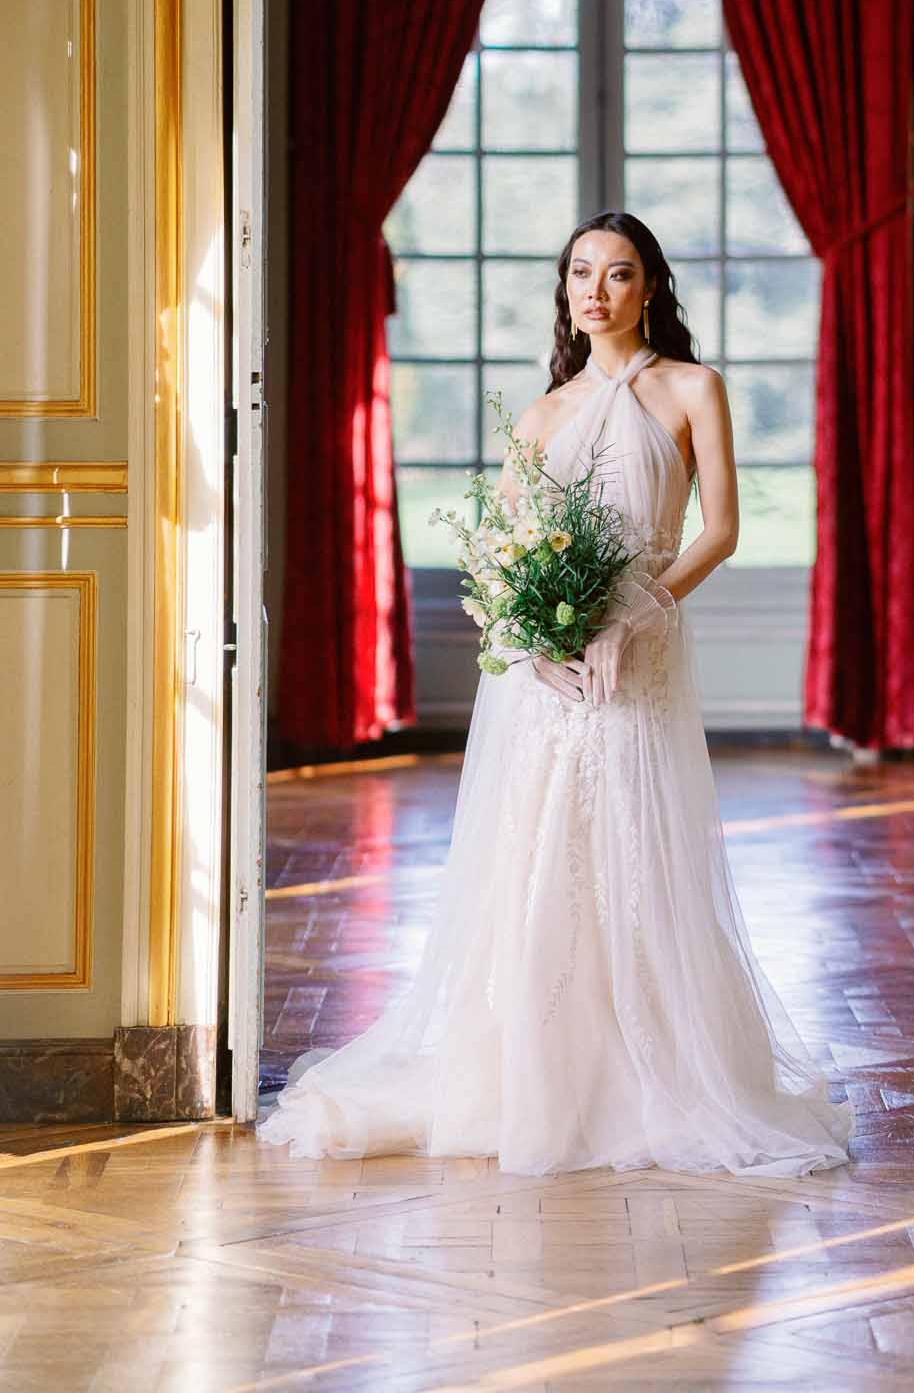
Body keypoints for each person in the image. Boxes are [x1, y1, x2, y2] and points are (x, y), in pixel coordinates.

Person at [258, 210, 853, 1177]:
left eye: (618, 273)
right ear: (565, 289)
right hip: (547, 679)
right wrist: (531, 648)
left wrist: (634, 619)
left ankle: (647, 1074)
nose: (596, 291)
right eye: (581, 272)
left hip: (638, 654)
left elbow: (721, 530)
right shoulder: (541, 415)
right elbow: (503, 554)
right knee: (539, 865)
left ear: (649, 288)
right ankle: (536, 1075)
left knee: (636, 852)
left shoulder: (694, 388)